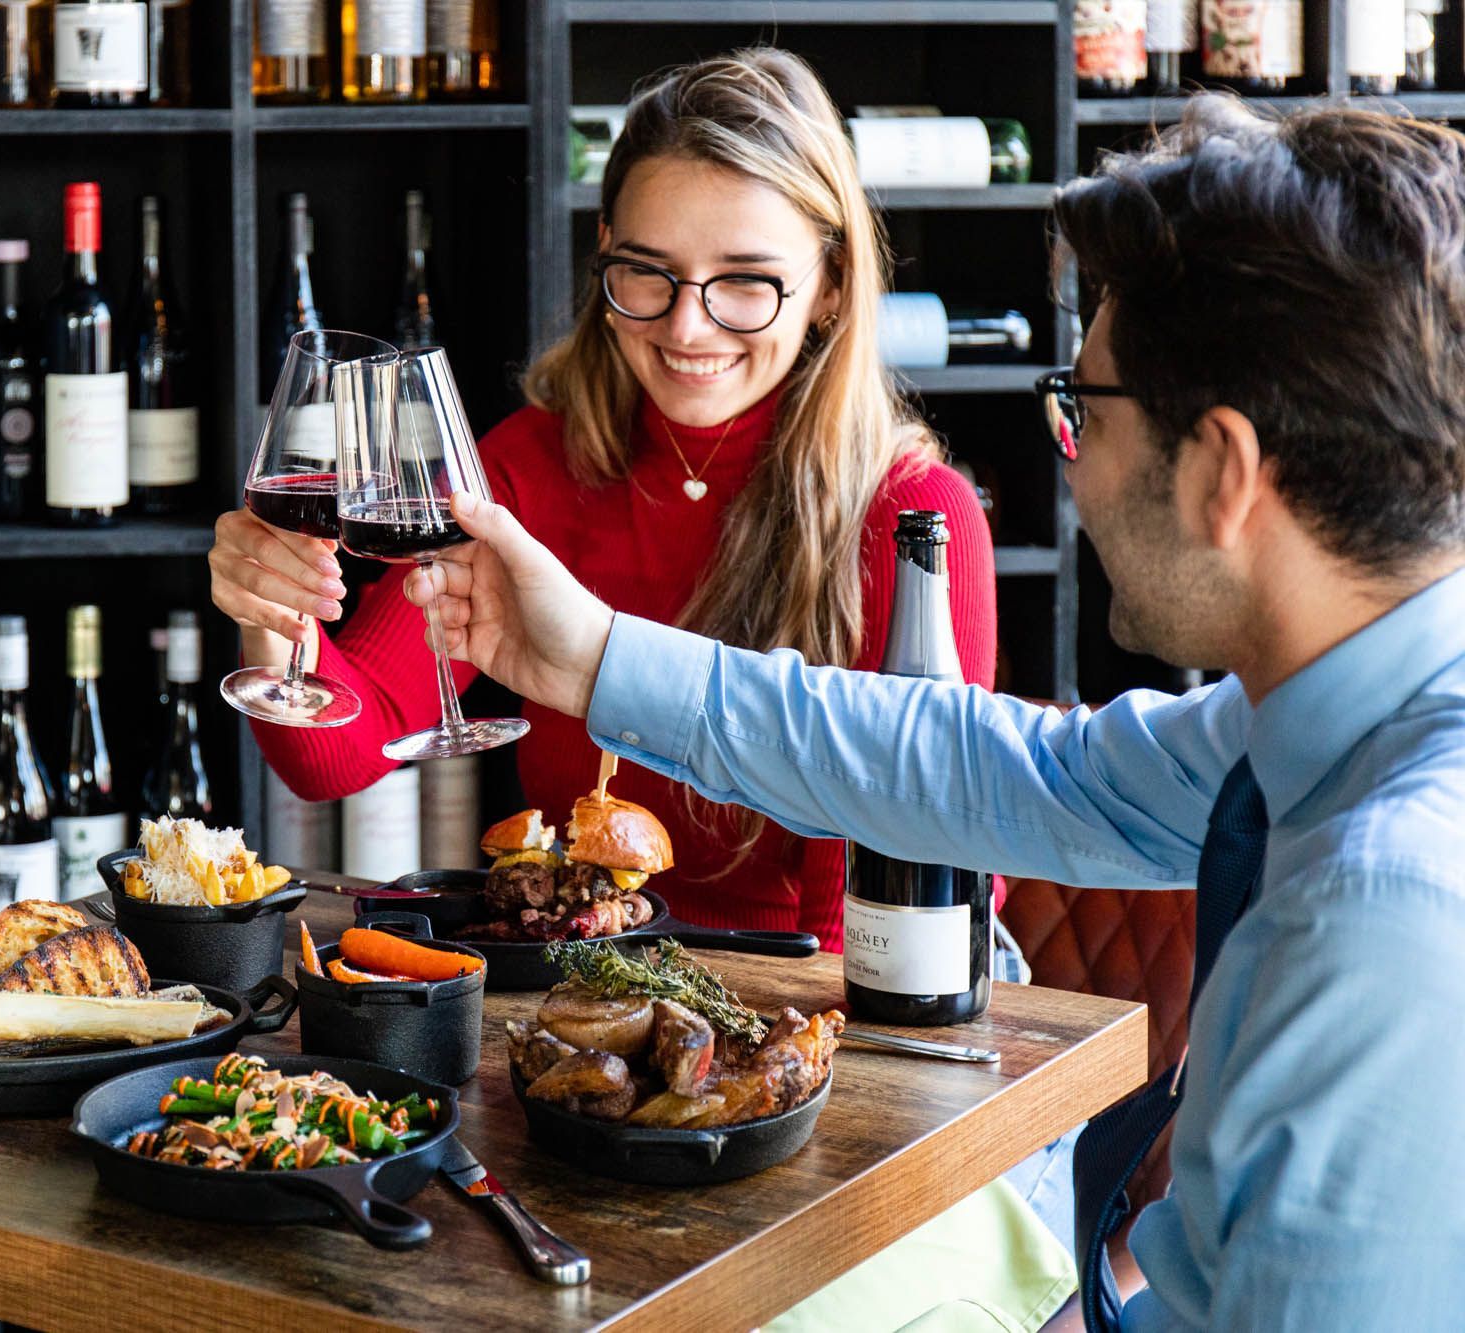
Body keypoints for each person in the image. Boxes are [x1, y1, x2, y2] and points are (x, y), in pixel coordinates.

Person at [409, 95, 1465, 1329]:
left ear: (1223, 474)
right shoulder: (1330, 717)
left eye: (1085, 407)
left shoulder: (1381, 918)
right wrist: (593, 657)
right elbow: (1012, 773)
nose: (1069, 459)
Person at [209, 47, 996, 946]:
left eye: (745, 279)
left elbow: (876, 911)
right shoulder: (527, 468)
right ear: (604, 257)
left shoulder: (915, 519)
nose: (687, 324)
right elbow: (343, 749)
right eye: (647, 271)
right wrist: (277, 614)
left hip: (802, 1003)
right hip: (589, 991)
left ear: (832, 287)